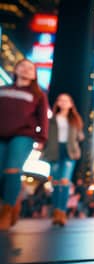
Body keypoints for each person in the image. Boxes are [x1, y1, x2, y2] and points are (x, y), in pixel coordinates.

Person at [0, 59, 49, 230]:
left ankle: (6, 212)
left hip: (23, 136)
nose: (27, 70)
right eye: (23, 66)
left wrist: (41, 138)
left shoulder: (38, 94)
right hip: (1, 136)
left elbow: (43, 118)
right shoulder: (3, 90)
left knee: (13, 169)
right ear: (15, 69)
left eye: (31, 68)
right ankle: (13, 204)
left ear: (35, 75)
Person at [42, 93, 84, 226]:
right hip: (54, 151)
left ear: (71, 104)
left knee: (65, 182)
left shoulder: (75, 120)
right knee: (55, 183)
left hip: (69, 152)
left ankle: (61, 213)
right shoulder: (52, 119)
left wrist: (75, 139)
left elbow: (81, 136)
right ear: (58, 103)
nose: (64, 102)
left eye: (67, 100)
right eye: (61, 100)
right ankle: (56, 212)